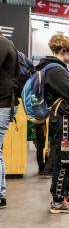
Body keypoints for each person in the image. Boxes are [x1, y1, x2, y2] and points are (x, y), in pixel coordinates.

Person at [38, 34, 69, 213]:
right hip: (63, 121)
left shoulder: (55, 68)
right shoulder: (55, 70)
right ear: (63, 50)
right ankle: (57, 201)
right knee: (64, 160)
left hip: (65, 120)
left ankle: (63, 193)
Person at [0, 35, 19, 209]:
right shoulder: (8, 44)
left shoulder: (2, 43)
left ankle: (0, 195)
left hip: (3, 104)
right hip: (7, 103)